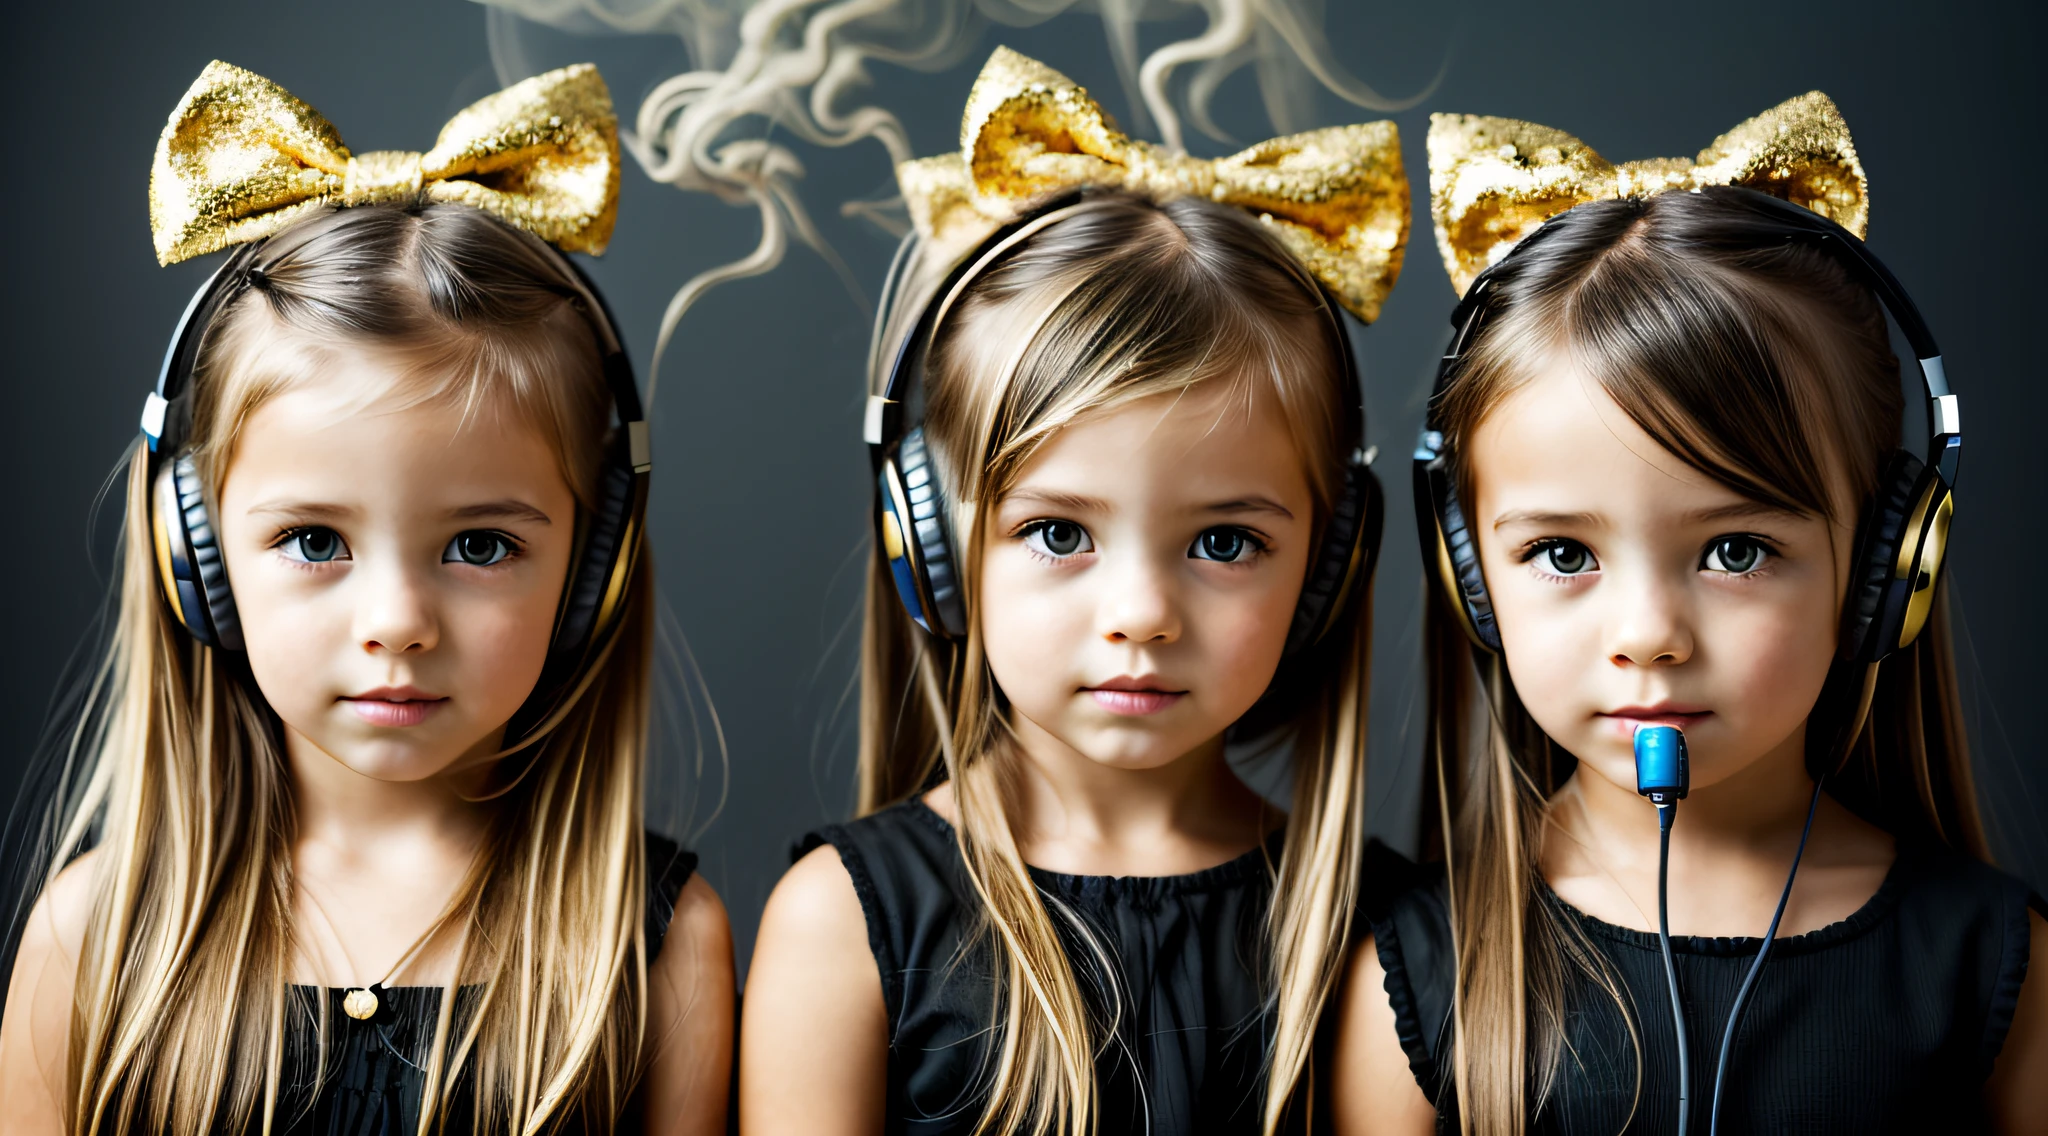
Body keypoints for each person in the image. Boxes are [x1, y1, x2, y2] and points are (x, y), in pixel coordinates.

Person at [0, 61, 733, 1135]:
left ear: (595, 560)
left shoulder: (657, 943)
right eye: (312, 539)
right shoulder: (98, 931)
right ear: (191, 555)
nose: (397, 620)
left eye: (479, 544)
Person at [1330, 96, 2048, 1134]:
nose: (1649, 633)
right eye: (1562, 553)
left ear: (1888, 565)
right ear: (1467, 574)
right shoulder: (1414, 975)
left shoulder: (1992, 961)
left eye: (1735, 551)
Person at [737, 48, 1407, 1136]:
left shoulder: (1382, 934)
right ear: (934, 547)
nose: (1140, 611)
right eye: (1057, 531)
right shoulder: (843, 923)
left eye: (1225, 541)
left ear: (1326, 569)